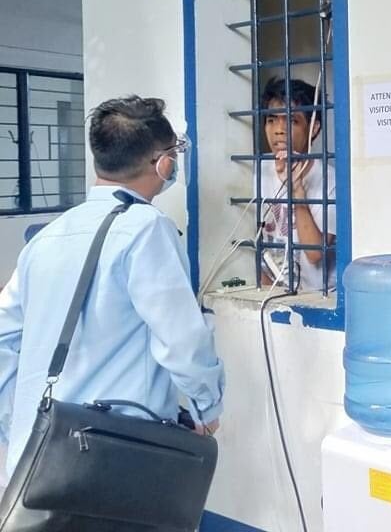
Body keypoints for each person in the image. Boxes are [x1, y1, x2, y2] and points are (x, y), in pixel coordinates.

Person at [0, 96, 224, 479]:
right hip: (111, 457)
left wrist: (18, 425)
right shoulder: (146, 230)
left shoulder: (48, 237)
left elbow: (4, 335)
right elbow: (182, 342)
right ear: (163, 162)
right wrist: (207, 408)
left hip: (36, 460)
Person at [258, 76, 337, 292]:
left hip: (319, 297)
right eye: (272, 119)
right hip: (277, 294)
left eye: (291, 120)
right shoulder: (260, 169)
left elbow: (314, 254)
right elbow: (259, 245)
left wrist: (298, 191)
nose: (278, 130)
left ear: (313, 128)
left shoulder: (330, 181)